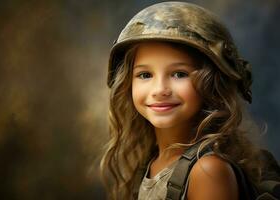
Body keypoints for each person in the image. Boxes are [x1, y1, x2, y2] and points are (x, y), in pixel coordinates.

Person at [100, 2, 264, 199]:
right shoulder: (150, 161)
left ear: (211, 83)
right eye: (145, 75)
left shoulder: (207, 171)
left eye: (179, 74)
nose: (160, 90)